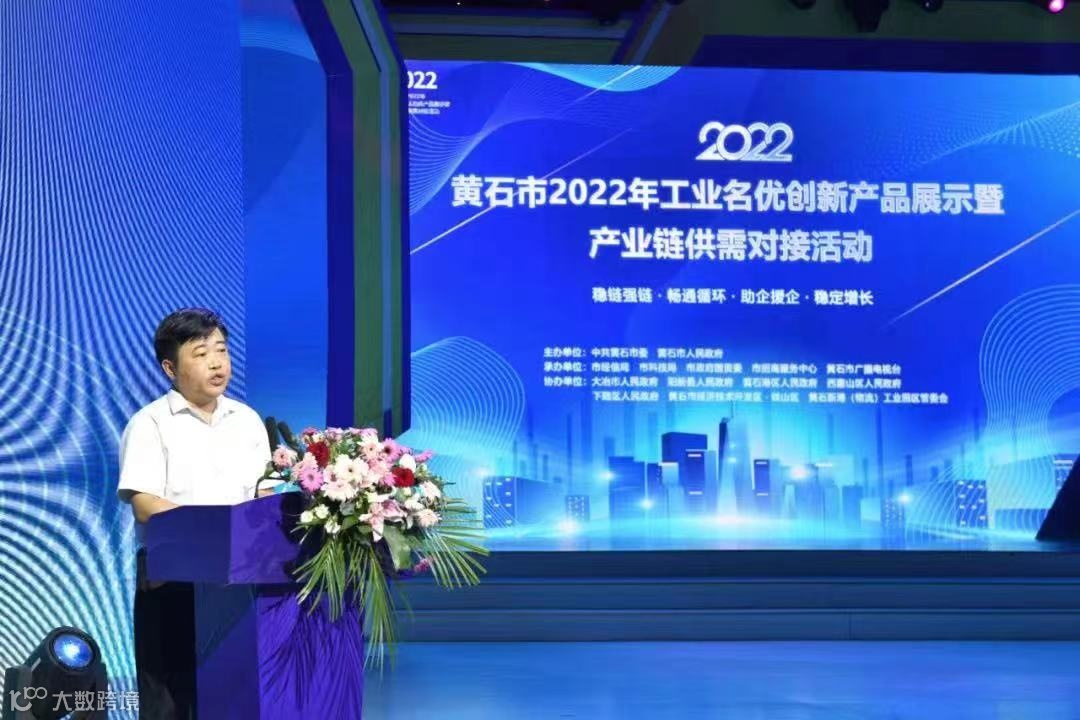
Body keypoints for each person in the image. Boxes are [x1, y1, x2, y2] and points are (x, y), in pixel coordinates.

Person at [117, 308, 272, 719]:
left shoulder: (248, 421)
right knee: (171, 701)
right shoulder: (150, 423)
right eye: (201, 354)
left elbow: (263, 494)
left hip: (238, 579)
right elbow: (145, 503)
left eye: (221, 350)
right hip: (173, 579)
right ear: (170, 368)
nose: (217, 363)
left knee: (233, 696)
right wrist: (216, 532)